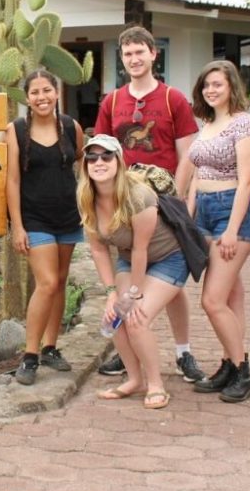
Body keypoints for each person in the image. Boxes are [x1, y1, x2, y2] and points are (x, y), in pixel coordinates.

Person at [95, 25, 204, 383]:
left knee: (171, 285)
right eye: (128, 54)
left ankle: (183, 351)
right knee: (132, 267)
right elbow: (102, 148)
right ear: (122, 59)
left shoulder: (174, 99)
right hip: (127, 202)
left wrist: (180, 198)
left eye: (140, 52)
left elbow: (187, 152)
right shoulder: (112, 101)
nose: (134, 59)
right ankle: (130, 357)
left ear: (154, 54)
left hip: (165, 201)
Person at [79, 134, 187, 410]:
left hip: (167, 258)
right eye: (92, 157)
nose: (98, 162)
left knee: (137, 317)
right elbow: (100, 250)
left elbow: (142, 249)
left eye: (106, 156)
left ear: (118, 161)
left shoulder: (138, 196)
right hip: (129, 259)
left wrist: (135, 294)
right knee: (115, 315)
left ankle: (155, 384)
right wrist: (111, 293)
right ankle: (134, 379)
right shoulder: (85, 197)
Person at [176, 60, 250, 403]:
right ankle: (229, 362)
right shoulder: (208, 124)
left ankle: (242, 370)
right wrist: (190, 217)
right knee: (229, 296)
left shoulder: (243, 124)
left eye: (218, 84)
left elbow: (248, 181)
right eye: (206, 85)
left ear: (231, 87)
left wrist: (231, 229)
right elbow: (197, 175)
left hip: (231, 211)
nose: (211, 90)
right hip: (205, 214)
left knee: (212, 300)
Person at [4, 69, 85, 385]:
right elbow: (11, 180)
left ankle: (51, 346)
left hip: (67, 214)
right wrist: (17, 226)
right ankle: (30, 355)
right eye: (35, 92)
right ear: (27, 97)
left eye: (47, 90)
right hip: (34, 217)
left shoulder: (70, 126)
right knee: (47, 282)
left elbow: (81, 161)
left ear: (57, 92)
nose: (42, 97)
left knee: (62, 280)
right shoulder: (16, 130)